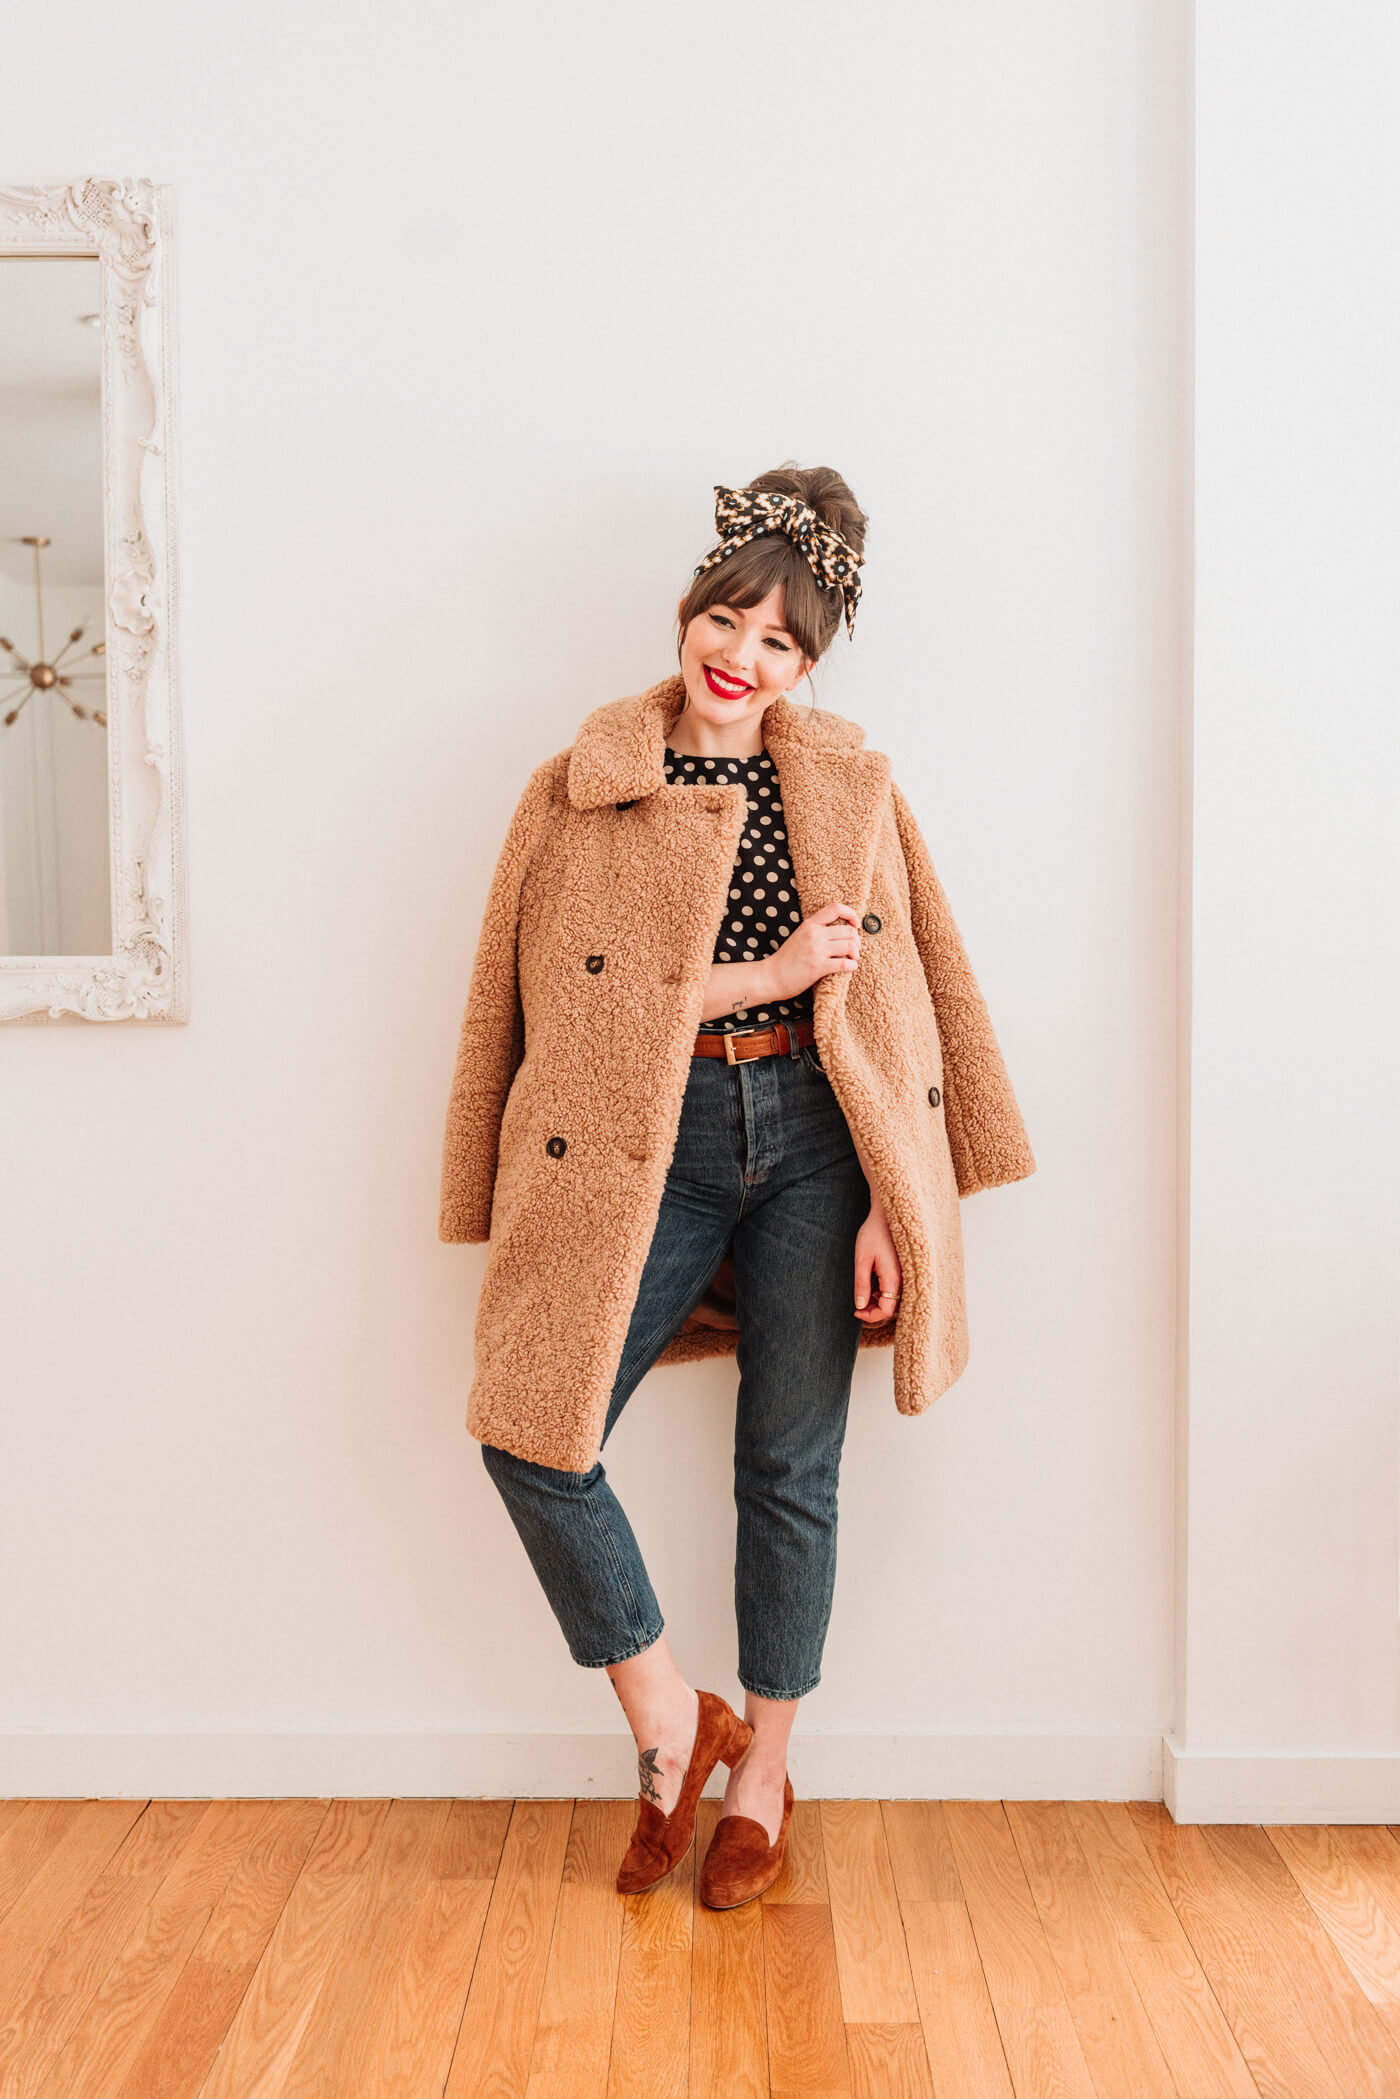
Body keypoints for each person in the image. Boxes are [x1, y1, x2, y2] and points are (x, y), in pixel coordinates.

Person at [439, 465, 1035, 1908]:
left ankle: (764, 1764)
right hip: (655, 1142)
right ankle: (666, 1712)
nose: (742, 658)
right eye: (728, 617)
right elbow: (549, 1011)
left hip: (823, 1145)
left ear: (810, 663)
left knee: (790, 1469)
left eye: (781, 643)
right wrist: (763, 975)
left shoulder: (845, 781)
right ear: (691, 607)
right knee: (529, 1425)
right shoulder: (581, 785)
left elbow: (901, 996)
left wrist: (903, 1196)